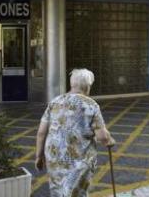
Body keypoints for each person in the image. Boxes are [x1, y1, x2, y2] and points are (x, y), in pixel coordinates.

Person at [35, 69, 115, 197]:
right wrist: (109, 141)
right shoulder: (91, 105)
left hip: (54, 157)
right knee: (77, 193)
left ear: (72, 84)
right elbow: (102, 136)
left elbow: (41, 132)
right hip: (79, 160)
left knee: (57, 191)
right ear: (87, 86)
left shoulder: (55, 102)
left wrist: (39, 156)